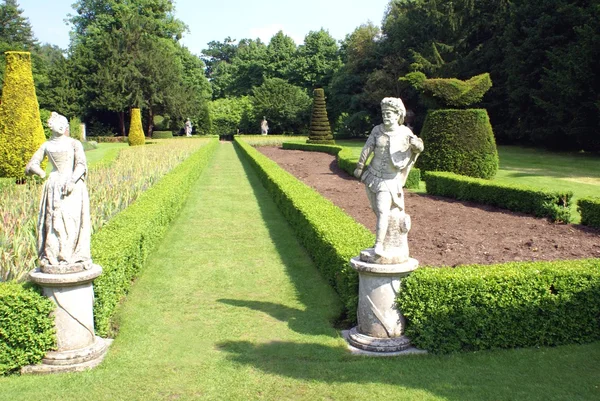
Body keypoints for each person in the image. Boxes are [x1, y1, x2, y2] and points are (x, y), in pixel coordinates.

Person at [354, 98, 424, 257]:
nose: (385, 116)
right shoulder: (377, 130)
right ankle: (387, 241)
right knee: (377, 211)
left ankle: (378, 245)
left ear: (398, 115)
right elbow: (367, 148)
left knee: (383, 210)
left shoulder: (405, 132)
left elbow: (419, 146)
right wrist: (360, 166)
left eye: (389, 113)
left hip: (389, 180)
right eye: (384, 113)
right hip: (372, 175)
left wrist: (417, 145)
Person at [25, 112, 91, 269]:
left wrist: (72, 180)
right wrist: (41, 172)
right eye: (59, 123)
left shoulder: (74, 143)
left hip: (72, 186)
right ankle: (54, 254)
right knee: (54, 220)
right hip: (54, 185)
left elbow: (81, 164)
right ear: (50, 125)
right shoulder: (46, 145)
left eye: (65, 123)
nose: (63, 126)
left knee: (71, 220)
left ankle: (71, 254)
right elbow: (31, 164)